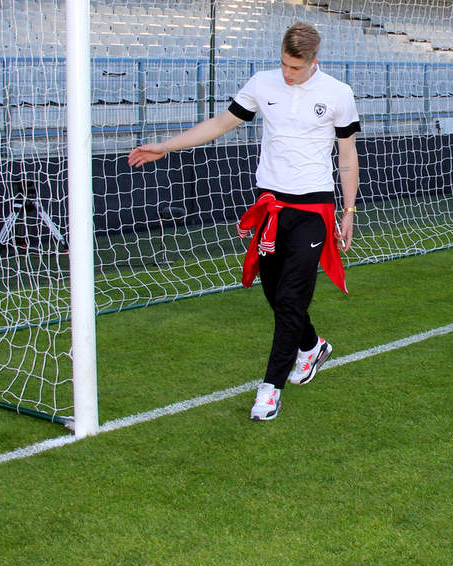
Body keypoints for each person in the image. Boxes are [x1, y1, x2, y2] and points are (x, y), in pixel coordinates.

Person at [127, 22, 360, 421]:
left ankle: (270, 390)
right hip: (269, 206)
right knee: (274, 294)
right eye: (284, 65)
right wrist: (165, 146)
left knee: (291, 298)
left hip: (313, 209)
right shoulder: (262, 83)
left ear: (314, 63)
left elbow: (348, 156)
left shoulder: (338, 94)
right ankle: (311, 346)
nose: (288, 74)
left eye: (296, 68)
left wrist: (349, 211)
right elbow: (220, 125)